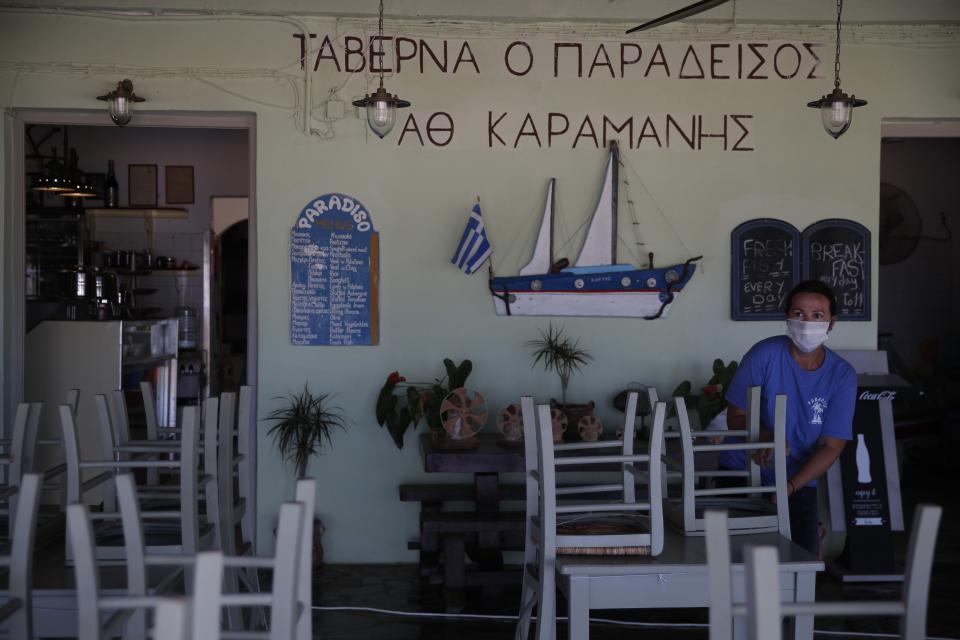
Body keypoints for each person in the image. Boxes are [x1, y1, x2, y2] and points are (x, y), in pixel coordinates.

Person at [719, 280, 856, 555]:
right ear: (787, 318)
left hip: (799, 478)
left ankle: (812, 533)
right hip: (741, 469)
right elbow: (736, 415)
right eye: (798, 314)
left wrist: (789, 488)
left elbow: (832, 445)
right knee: (732, 558)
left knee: (799, 561)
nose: (807, 323)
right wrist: (766, 436)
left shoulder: (842, 375)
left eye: (817, 316)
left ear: (832, 322)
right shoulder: (765, 354)